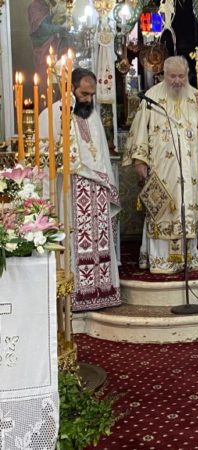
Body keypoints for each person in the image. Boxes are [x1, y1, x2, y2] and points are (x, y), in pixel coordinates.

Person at [123, 56, 198, 274]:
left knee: (187, 208)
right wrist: (140, 160)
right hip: (162, 167)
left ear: (187, 75)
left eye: (181, 76)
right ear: (164, 74)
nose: (177, 81)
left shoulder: (196, 96)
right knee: (162, 209)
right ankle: (161, 259)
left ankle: (187, 257)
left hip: (189, 168)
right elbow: (139, 130)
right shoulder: (152, 97)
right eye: (172, 76)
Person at [39, 68, 121, 311]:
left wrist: (107, 184)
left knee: (100, 243)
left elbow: (101, 153)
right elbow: (45, 157)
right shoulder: (52, 114)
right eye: (84, 94)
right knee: (75, 241)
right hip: (70, 189)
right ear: (70, 89)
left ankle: (102, 292)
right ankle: (77, 295)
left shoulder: (93, 116)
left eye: (91, 95)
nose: (88, 99)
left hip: (97, 190)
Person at [27, 0, 70, 91]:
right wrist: (60, 28)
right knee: (45, 82)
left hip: (58, 49)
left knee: (59, 81)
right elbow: (41, 29)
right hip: (43, 51)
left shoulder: (50, 5)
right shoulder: (34, 6)